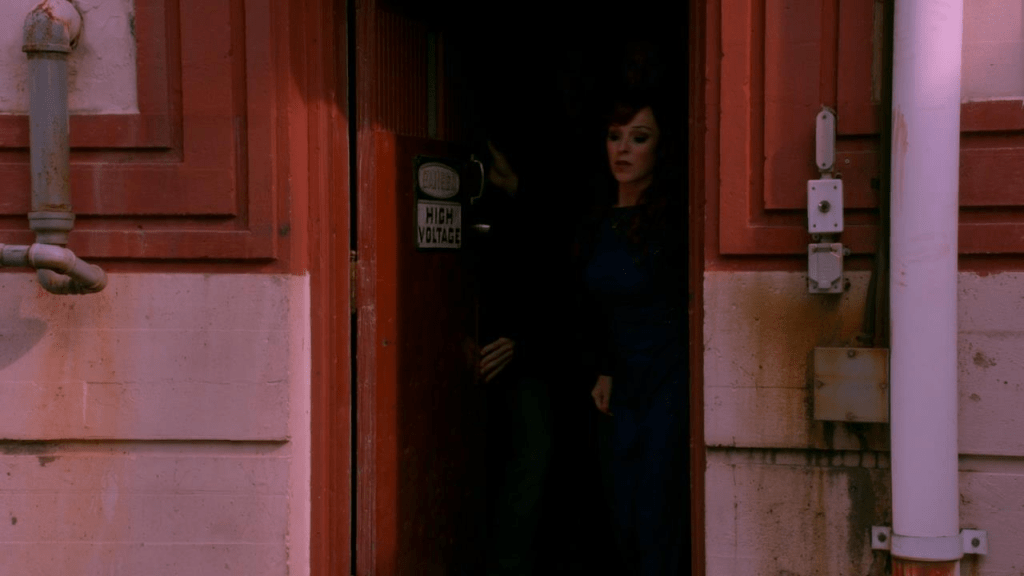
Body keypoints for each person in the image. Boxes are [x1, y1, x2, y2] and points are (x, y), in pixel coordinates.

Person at [578, 92, 688, 575]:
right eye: (614, 136)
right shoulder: (597, 221)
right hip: (619, 383)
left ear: (660, 149)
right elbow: (593, 308)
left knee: (656, 507)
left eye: (638, 138)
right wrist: (604, 368)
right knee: (620, 507)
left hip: (668, 377)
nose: (622, 149)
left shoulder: (672, 224)